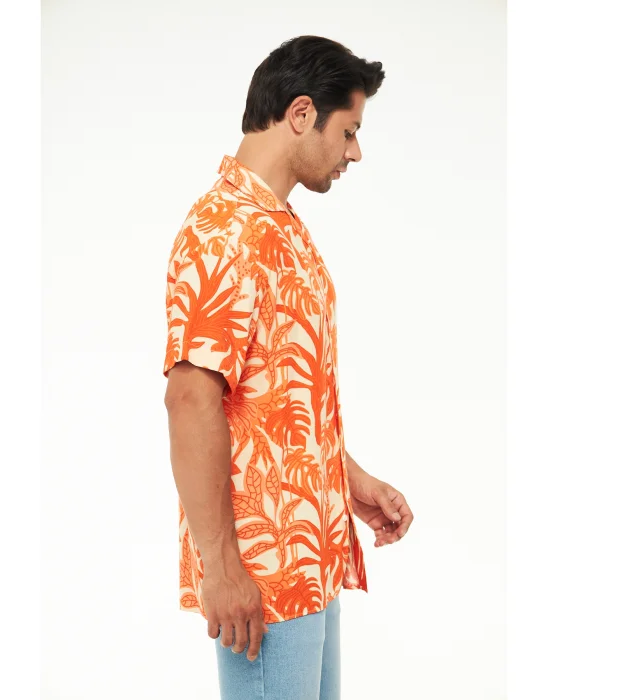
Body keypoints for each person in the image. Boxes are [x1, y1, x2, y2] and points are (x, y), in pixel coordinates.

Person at [162, 35, 414, 700]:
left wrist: (349, 480)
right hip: (262, 573)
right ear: (302, 113)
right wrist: (222, 569)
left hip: (313, 557)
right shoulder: (224, 231)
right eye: (349, 131)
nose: (355, 152)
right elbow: (191, 399)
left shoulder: (281, 226)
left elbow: (278, 397)